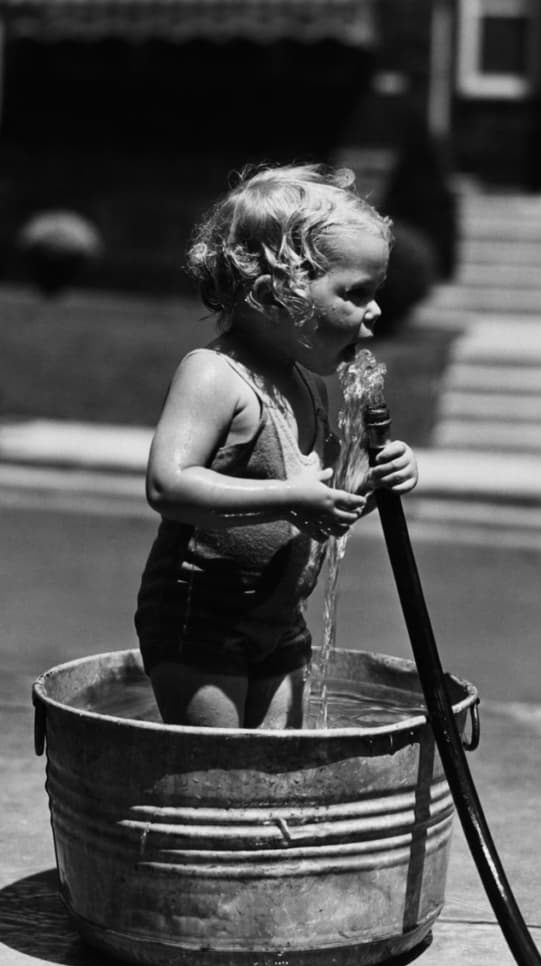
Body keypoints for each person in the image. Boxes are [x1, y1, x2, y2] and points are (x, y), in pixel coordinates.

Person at [134, 163, 418, 730]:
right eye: (356, 292)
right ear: (276, 293)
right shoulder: (216, 376)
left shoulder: (307, 383)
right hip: (201, 618)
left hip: (281, 618)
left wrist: (373, 482)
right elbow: (168, 483)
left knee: (276, 774)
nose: (377, 310)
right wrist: (288, 496)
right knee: (216, 780)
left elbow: (323, 506)